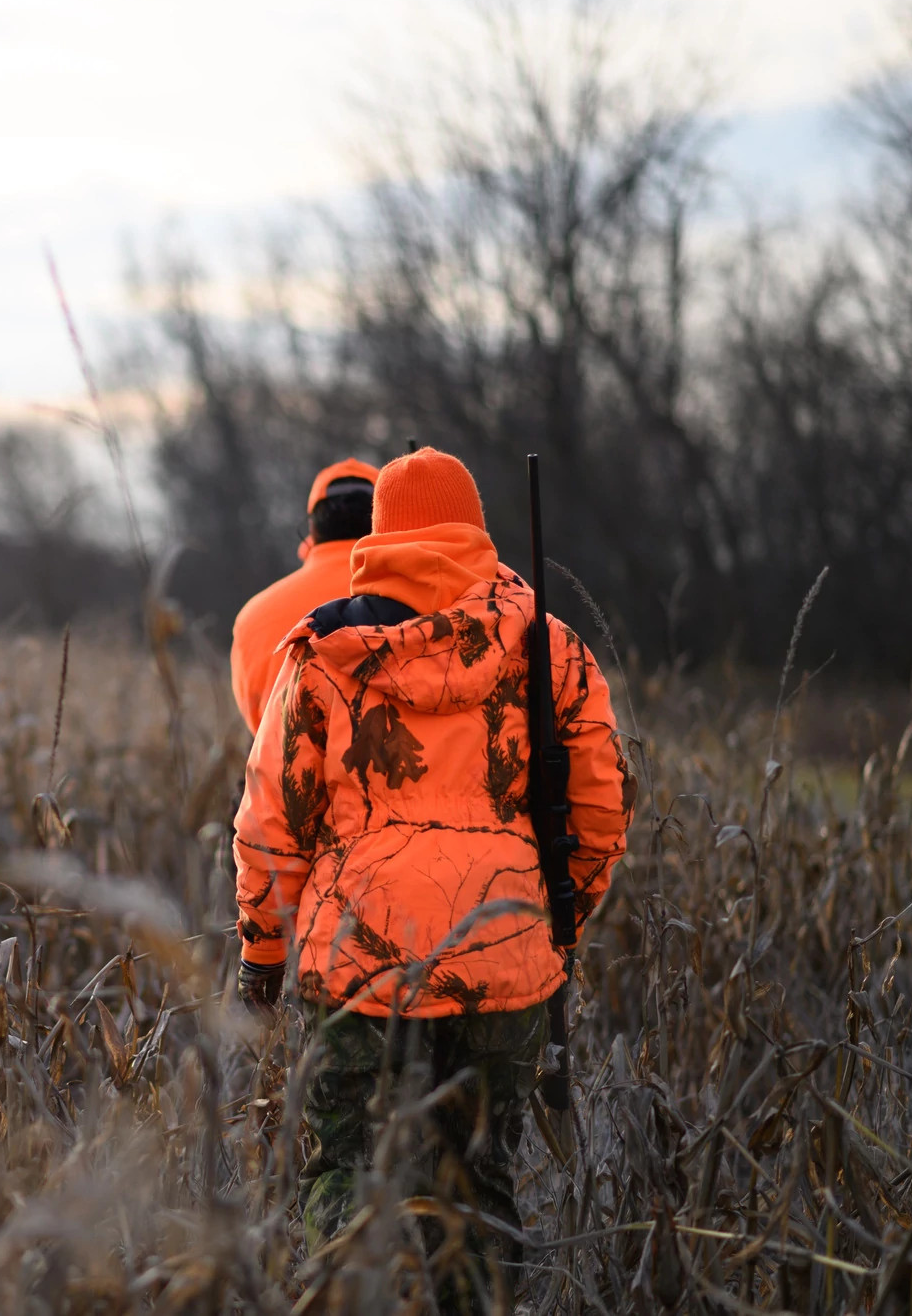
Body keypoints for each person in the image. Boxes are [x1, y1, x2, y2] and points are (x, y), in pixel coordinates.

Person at [231, 447, 631, 1307]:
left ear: (380, 536)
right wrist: (558, 921)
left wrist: (263, 956)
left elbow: (269, 823)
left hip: (357, 966)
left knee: (344, 1173)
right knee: (481, 1191)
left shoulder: (323, 655)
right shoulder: (550, 645)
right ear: (477, 530)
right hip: (504, 951)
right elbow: (602, 807)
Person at [230, 459, 380, 734]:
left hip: (284, 771)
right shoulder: (424, 595)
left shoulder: (252, 615)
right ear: (384, 520)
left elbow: (258, 728)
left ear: (312, 528)